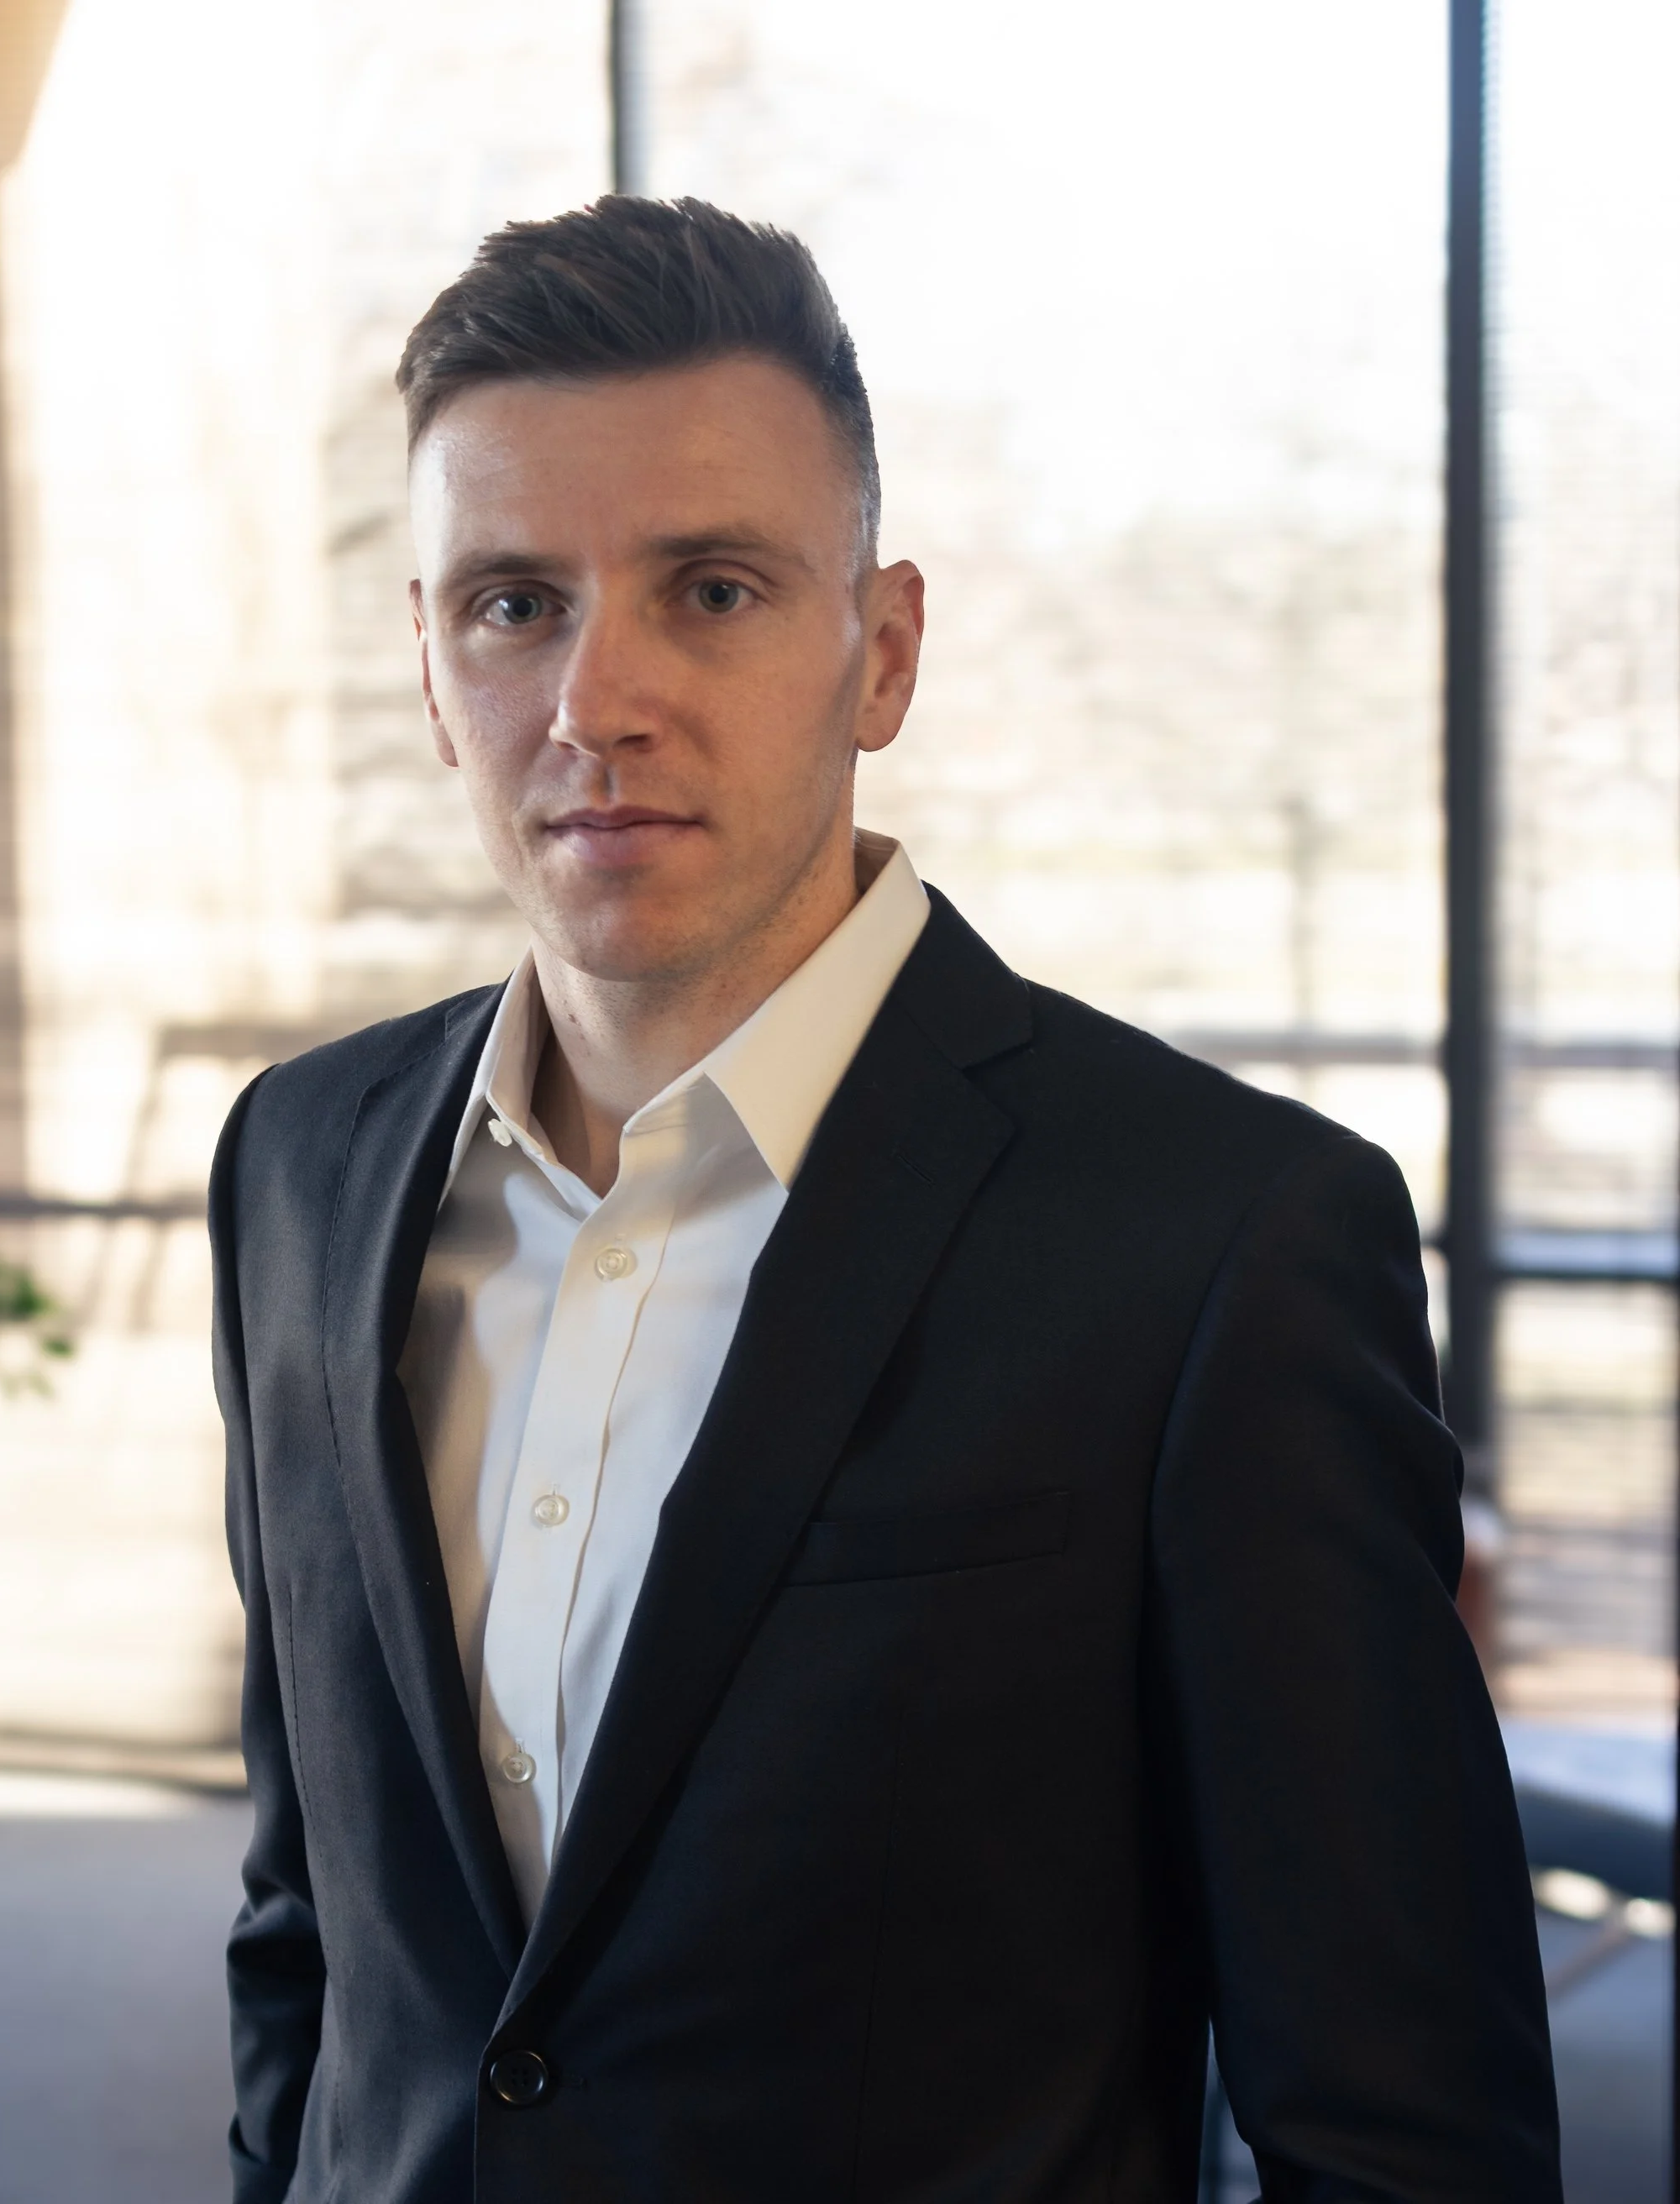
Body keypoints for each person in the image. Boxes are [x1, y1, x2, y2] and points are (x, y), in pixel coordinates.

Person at [208, 197, 1559, 2202]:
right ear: (427, 662)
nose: (596, 702)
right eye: (511, 602)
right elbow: (309, 1936)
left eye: (715, 589)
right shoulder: (299, 1172)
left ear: (883, 649)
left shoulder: (1215, 1246)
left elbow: (1397, 2126)